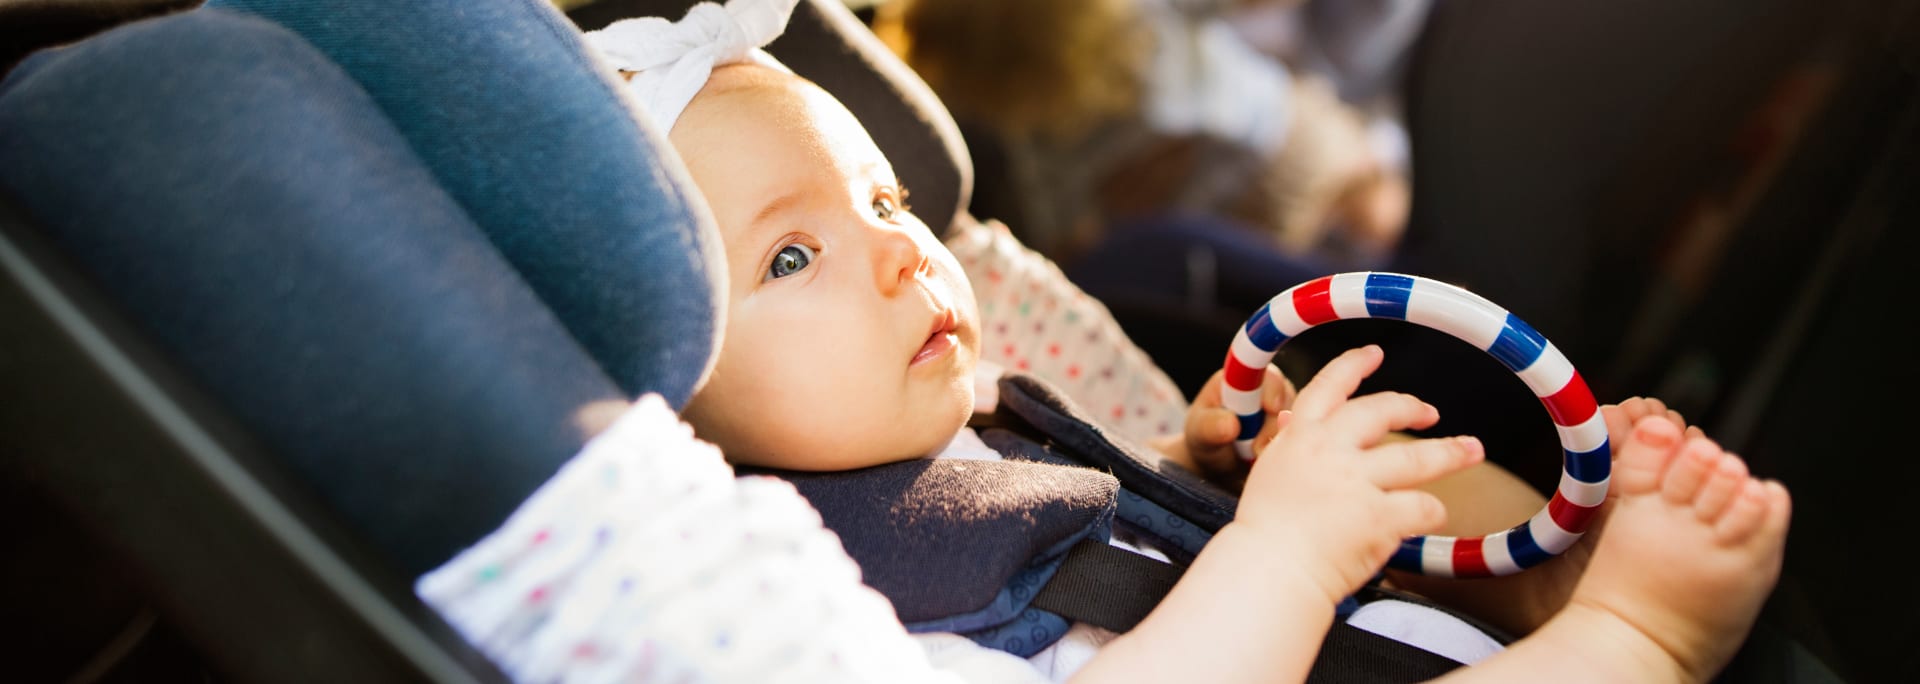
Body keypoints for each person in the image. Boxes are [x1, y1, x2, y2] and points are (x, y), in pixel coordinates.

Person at [576, 3, 1793, 682]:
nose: (902, 252)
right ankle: (1640, 639)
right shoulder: (818, 607)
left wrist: (1195, 457)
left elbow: (1081, 509)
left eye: (886, 204)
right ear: (668, 399)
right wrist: (1289, 551)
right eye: (793, 258)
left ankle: (1540, 570)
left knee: (1354, 450)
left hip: (1378, 626)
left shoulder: (976, 418)